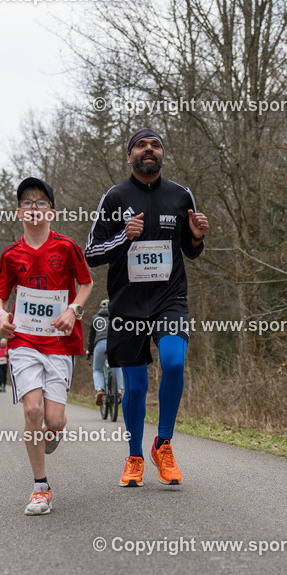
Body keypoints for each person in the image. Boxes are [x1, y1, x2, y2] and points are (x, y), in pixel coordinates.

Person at [85, 128, 209, 487]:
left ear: (162, 155)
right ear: (130, 156)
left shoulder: (181, 195)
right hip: (126, 304)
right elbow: (91, 253)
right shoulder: (115, 196)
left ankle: (163, 444)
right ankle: (135, 456)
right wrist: (124, 237)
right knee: (135, 388)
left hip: (169, 299)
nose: (149, 149)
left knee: (174, 361)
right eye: (141, 145)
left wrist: (197, 235)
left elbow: (191, 249)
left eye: (155, 145)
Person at [0, 177, 92, 515]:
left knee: (54, 418)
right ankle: (40, 488)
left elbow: (86, 285)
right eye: (27, 202)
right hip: (23, 341)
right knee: (32, 411)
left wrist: (72, 310)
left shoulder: (66, 247)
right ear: (18, 211)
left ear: (52, 210)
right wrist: (1, 316)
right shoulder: (10, 254)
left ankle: (55, 429)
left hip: (61, 344)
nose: (33, 207)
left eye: (40, 202)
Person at [86, 299, 124, 405]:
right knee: (117, 366)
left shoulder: (96, 318)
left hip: (100, 344)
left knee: (97, 369)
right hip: (114, 345)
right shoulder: (116, 317)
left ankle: (99, 390)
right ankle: (120, 390)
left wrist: (90, 350)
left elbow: (91, 337)